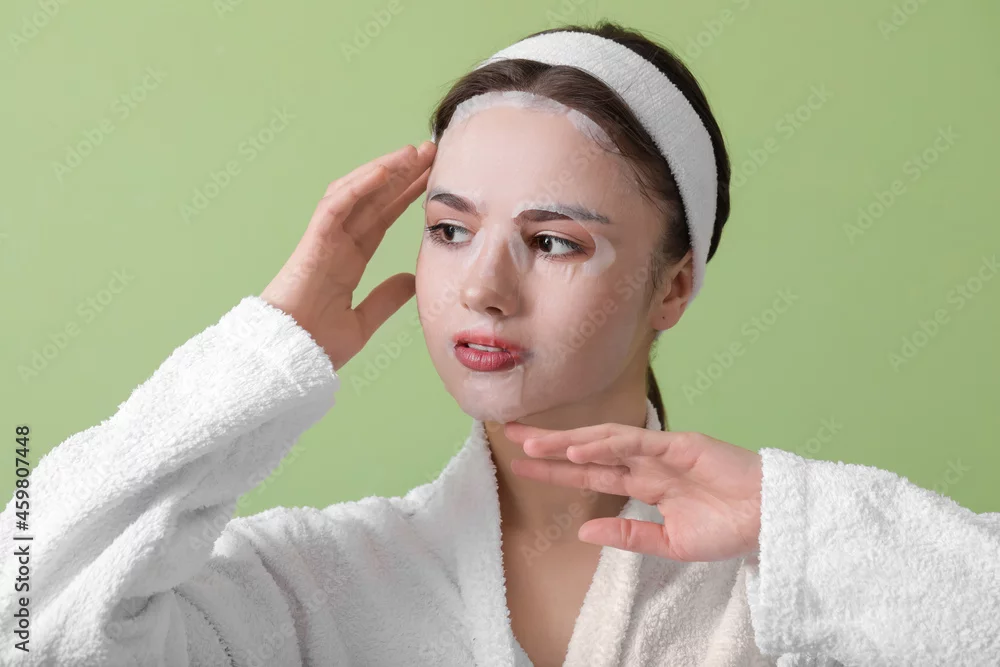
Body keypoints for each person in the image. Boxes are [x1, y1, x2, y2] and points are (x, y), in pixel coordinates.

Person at [2, 21, 998, 667]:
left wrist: (798, 523)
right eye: (448, 230)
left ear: (673, 285)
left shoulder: (798, 589)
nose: (481, 287)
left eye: (554, 241)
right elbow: (22, 616)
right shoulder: (316, 587)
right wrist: (264, 355)